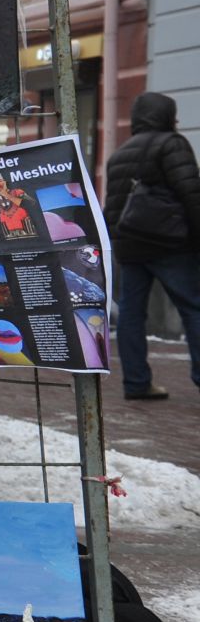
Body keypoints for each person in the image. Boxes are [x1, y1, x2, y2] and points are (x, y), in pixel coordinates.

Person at [103, 91, 200, 401]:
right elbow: (191, 193)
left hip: (129, 247)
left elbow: (114, 207)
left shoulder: (119, 154)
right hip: (168, 244)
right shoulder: (171, 144)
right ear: (167, 117)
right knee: (194, 307)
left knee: (131, 315)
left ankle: (136, 383)